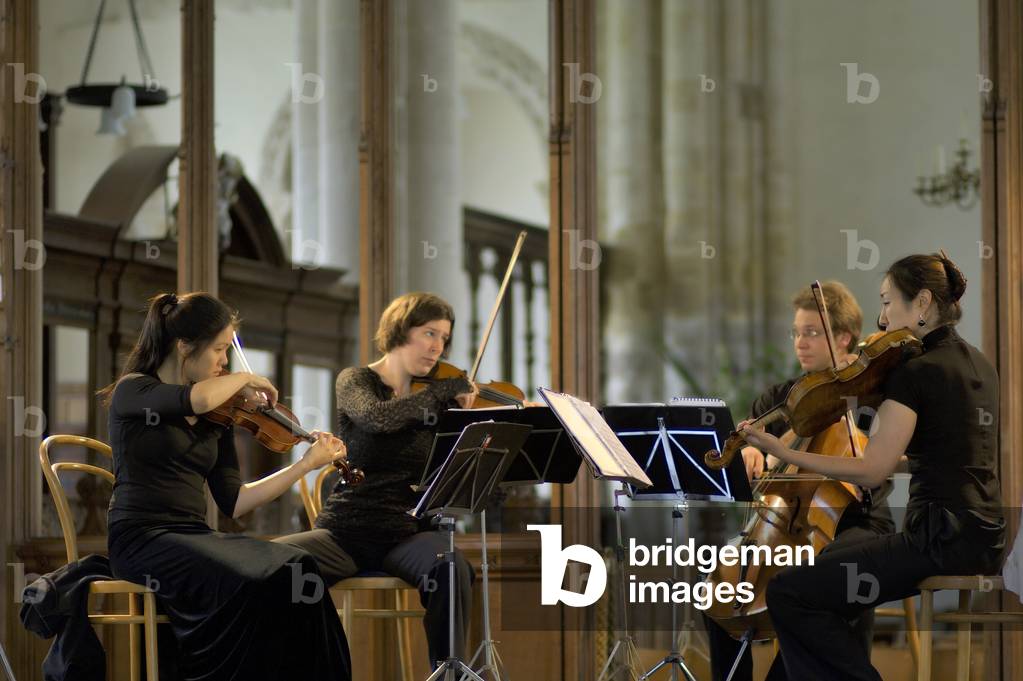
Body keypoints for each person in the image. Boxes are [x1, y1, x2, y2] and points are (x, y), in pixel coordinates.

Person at [740, 254, 1005, 680]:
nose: (881, 320)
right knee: (819, 588)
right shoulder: (979, 365)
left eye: (886, 302)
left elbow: (872, 471)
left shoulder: (915, 372)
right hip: (985, 538)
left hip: (933, 542)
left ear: (921, 303)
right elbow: (939, 455)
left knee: (790, 593)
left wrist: (783, 451)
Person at [101, 292, 352, 681]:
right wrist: (247, 378)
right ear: (184, 346)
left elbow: (235, 501)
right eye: (219, 349)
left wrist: (305, 464)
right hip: (141, 538)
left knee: (298, 567)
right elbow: (193, 400)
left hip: (194, 536)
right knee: (254, 585)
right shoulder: (135, 391)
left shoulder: (218, 416)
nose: (224, 361)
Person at [276, 292, 479, 669]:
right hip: (345, 533)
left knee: (450, 566)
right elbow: (377, 418)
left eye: (444, 339)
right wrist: (443, 393)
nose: (438, 348)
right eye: (429, 334)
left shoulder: (437, 402)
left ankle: (449, 673)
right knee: (273, 566)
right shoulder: (356, 381)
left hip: (407, 534)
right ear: (402, 329)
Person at [704, 281, 894, 681]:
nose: (800, 343)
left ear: (844, 338)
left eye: (812, 332)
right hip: (788, 525)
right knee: (718, 587)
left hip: (857, 522)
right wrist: (748, 451)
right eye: (797, 332)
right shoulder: (784, 397)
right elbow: (748, 438)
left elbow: (883, 458)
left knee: (828, 575)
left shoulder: (870, 400)